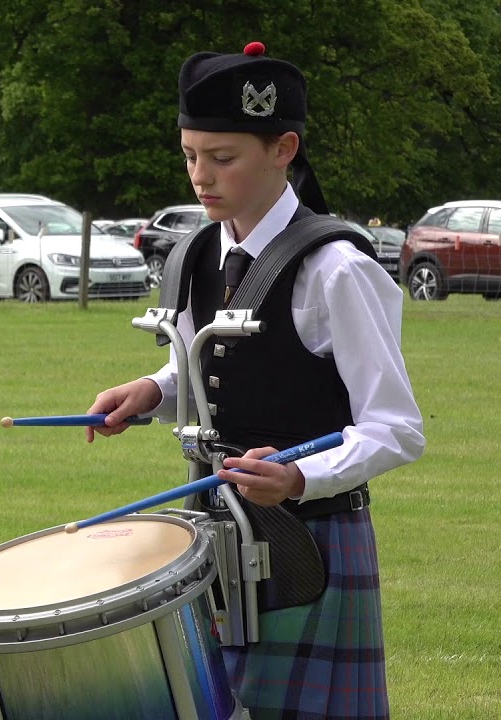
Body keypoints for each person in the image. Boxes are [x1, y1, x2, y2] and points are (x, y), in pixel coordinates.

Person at [84, 42, 424, 719]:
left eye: (222, 157)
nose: (200, 177)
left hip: (310, 547)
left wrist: (300, 477)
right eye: (189, 155)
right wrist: (154, 390)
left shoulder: (336, 268)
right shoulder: (192, 254)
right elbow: (210, 368)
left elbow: (396, 428)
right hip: (209, 540)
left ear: (283, 148)